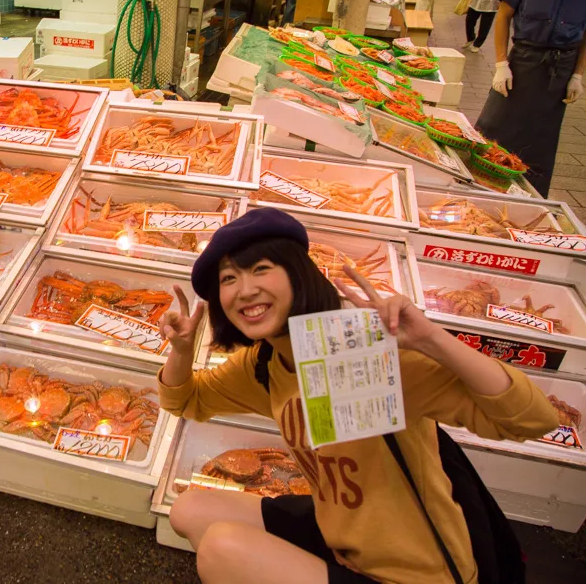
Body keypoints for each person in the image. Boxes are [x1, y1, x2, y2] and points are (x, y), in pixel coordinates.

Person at [158, 208, 558, 584]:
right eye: (228, 279)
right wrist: (181, 350)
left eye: (260, 269)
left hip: (415, 572)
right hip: (341, 536)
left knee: (222, 549)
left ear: (299, 274)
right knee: (189, 509)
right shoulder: (265, 362)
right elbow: (186, 400)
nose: (244, 290)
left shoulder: (364, 353)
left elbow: (532, 419)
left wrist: (433, 340)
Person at [476, 0, 586, 197]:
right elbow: (503, 16)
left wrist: (577, 75)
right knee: (493, 128)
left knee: (541, 141)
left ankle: (528, 200)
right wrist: (501, 64)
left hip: (561, 69)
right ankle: (474, 185)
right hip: (523, 60)